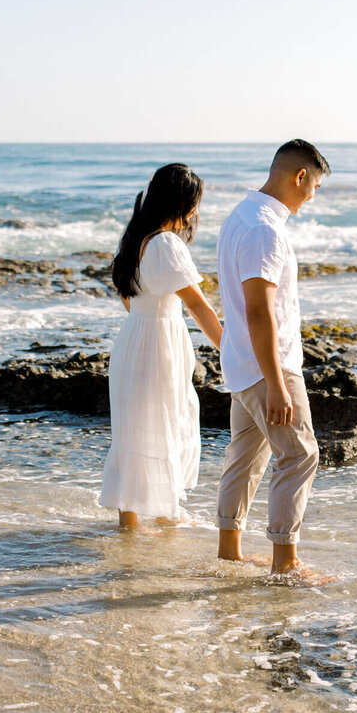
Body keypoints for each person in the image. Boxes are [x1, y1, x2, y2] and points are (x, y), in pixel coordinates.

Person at [214, 139, 330, 579]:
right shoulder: (264, 229)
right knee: (299, 455)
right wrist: (278, 383)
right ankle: (286, 563)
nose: (312, 196)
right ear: (300, 176)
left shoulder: (240, 216)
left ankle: (229, 552)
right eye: (314, 186)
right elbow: (260, 312)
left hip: (241, 364)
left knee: (246, 456)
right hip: (268, 366)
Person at [100, 163, 223, 529]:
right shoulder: (167, 244)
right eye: (194, 202)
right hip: (159, 342)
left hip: (133, 338)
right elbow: (197, 305)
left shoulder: (135, 240)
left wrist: (149, 321)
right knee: (167, 420)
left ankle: (130, 523)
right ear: (180, 202)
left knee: (134, 428)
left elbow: (129, 299)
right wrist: (229, 349)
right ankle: (167, 516)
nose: (196, 211)